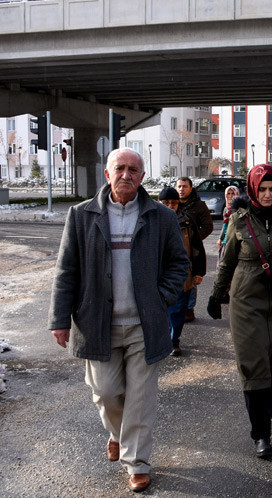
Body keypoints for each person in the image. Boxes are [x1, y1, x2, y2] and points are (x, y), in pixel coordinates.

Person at [48, 148, 189, 492]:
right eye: (120, 168)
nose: (127, 174)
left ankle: (136, 462)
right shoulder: (81, 216)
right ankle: (116, 433)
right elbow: (67, 269)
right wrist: (59, 318)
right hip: (97, 323)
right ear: (108, 175)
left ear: (142, 177)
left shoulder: (161, 217)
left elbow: (178, 264)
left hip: (145, 324)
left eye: (134, 170)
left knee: (140, 398)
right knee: (106, 393)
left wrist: (161, 297)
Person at [206, 164, 272, 459]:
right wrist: (215, 296)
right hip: (247, 299)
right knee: (253, 365)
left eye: (271, 189)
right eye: (261, 189)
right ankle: (261, 434)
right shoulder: (239, 220)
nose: (266, 195)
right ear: (252, 189)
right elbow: (226, 263)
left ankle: (267, 395)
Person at [158, 186, 206, 356]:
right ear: (159, 202)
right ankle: (161, 340)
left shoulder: (187, 221)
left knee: (178, 311)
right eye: (166, 202)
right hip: (159, 275)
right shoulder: (150, 221)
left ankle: (173, 340)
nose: (170, 206)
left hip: (183, 275)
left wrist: (199, 272)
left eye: (174, 202)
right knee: (160, 311)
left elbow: (197, 248)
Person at [175, 176, 213, 322]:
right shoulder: (173, 203)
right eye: (179, 186)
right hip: (173, 248)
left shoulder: (198, 206)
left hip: (191, 249)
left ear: (191, 188)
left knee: (191, 278)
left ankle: (189, 309)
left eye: (184, 186)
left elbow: (208, 226)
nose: (181, 189)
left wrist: (194, 238)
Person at [215, 185, 240, 260]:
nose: (230, 196)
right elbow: (225, 225)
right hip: (225, 241)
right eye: (228, 193)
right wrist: (220, 238)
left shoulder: (240, 209)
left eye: (233, 193)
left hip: (236, 242)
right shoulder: (226, 209)